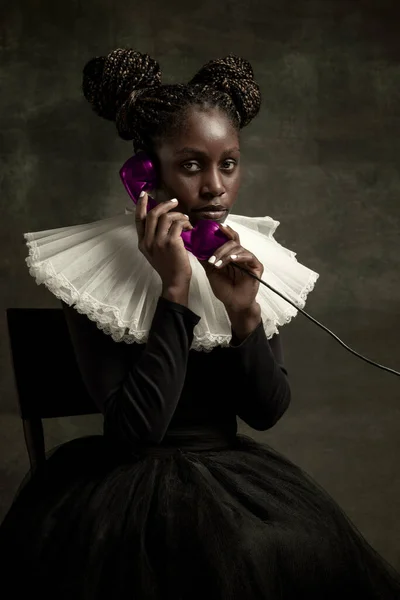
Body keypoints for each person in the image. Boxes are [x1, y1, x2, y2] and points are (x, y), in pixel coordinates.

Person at [1, 49, 399, 600]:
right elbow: (137, 430)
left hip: (235, 478)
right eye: (191, 165)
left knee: (285, 548)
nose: (215, 187)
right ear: (146, 170)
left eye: (228, 164)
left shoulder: (248, 255)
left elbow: (265, 411)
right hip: (131, 486)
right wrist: (174, 290)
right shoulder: (92, 268)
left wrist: (243, 313)